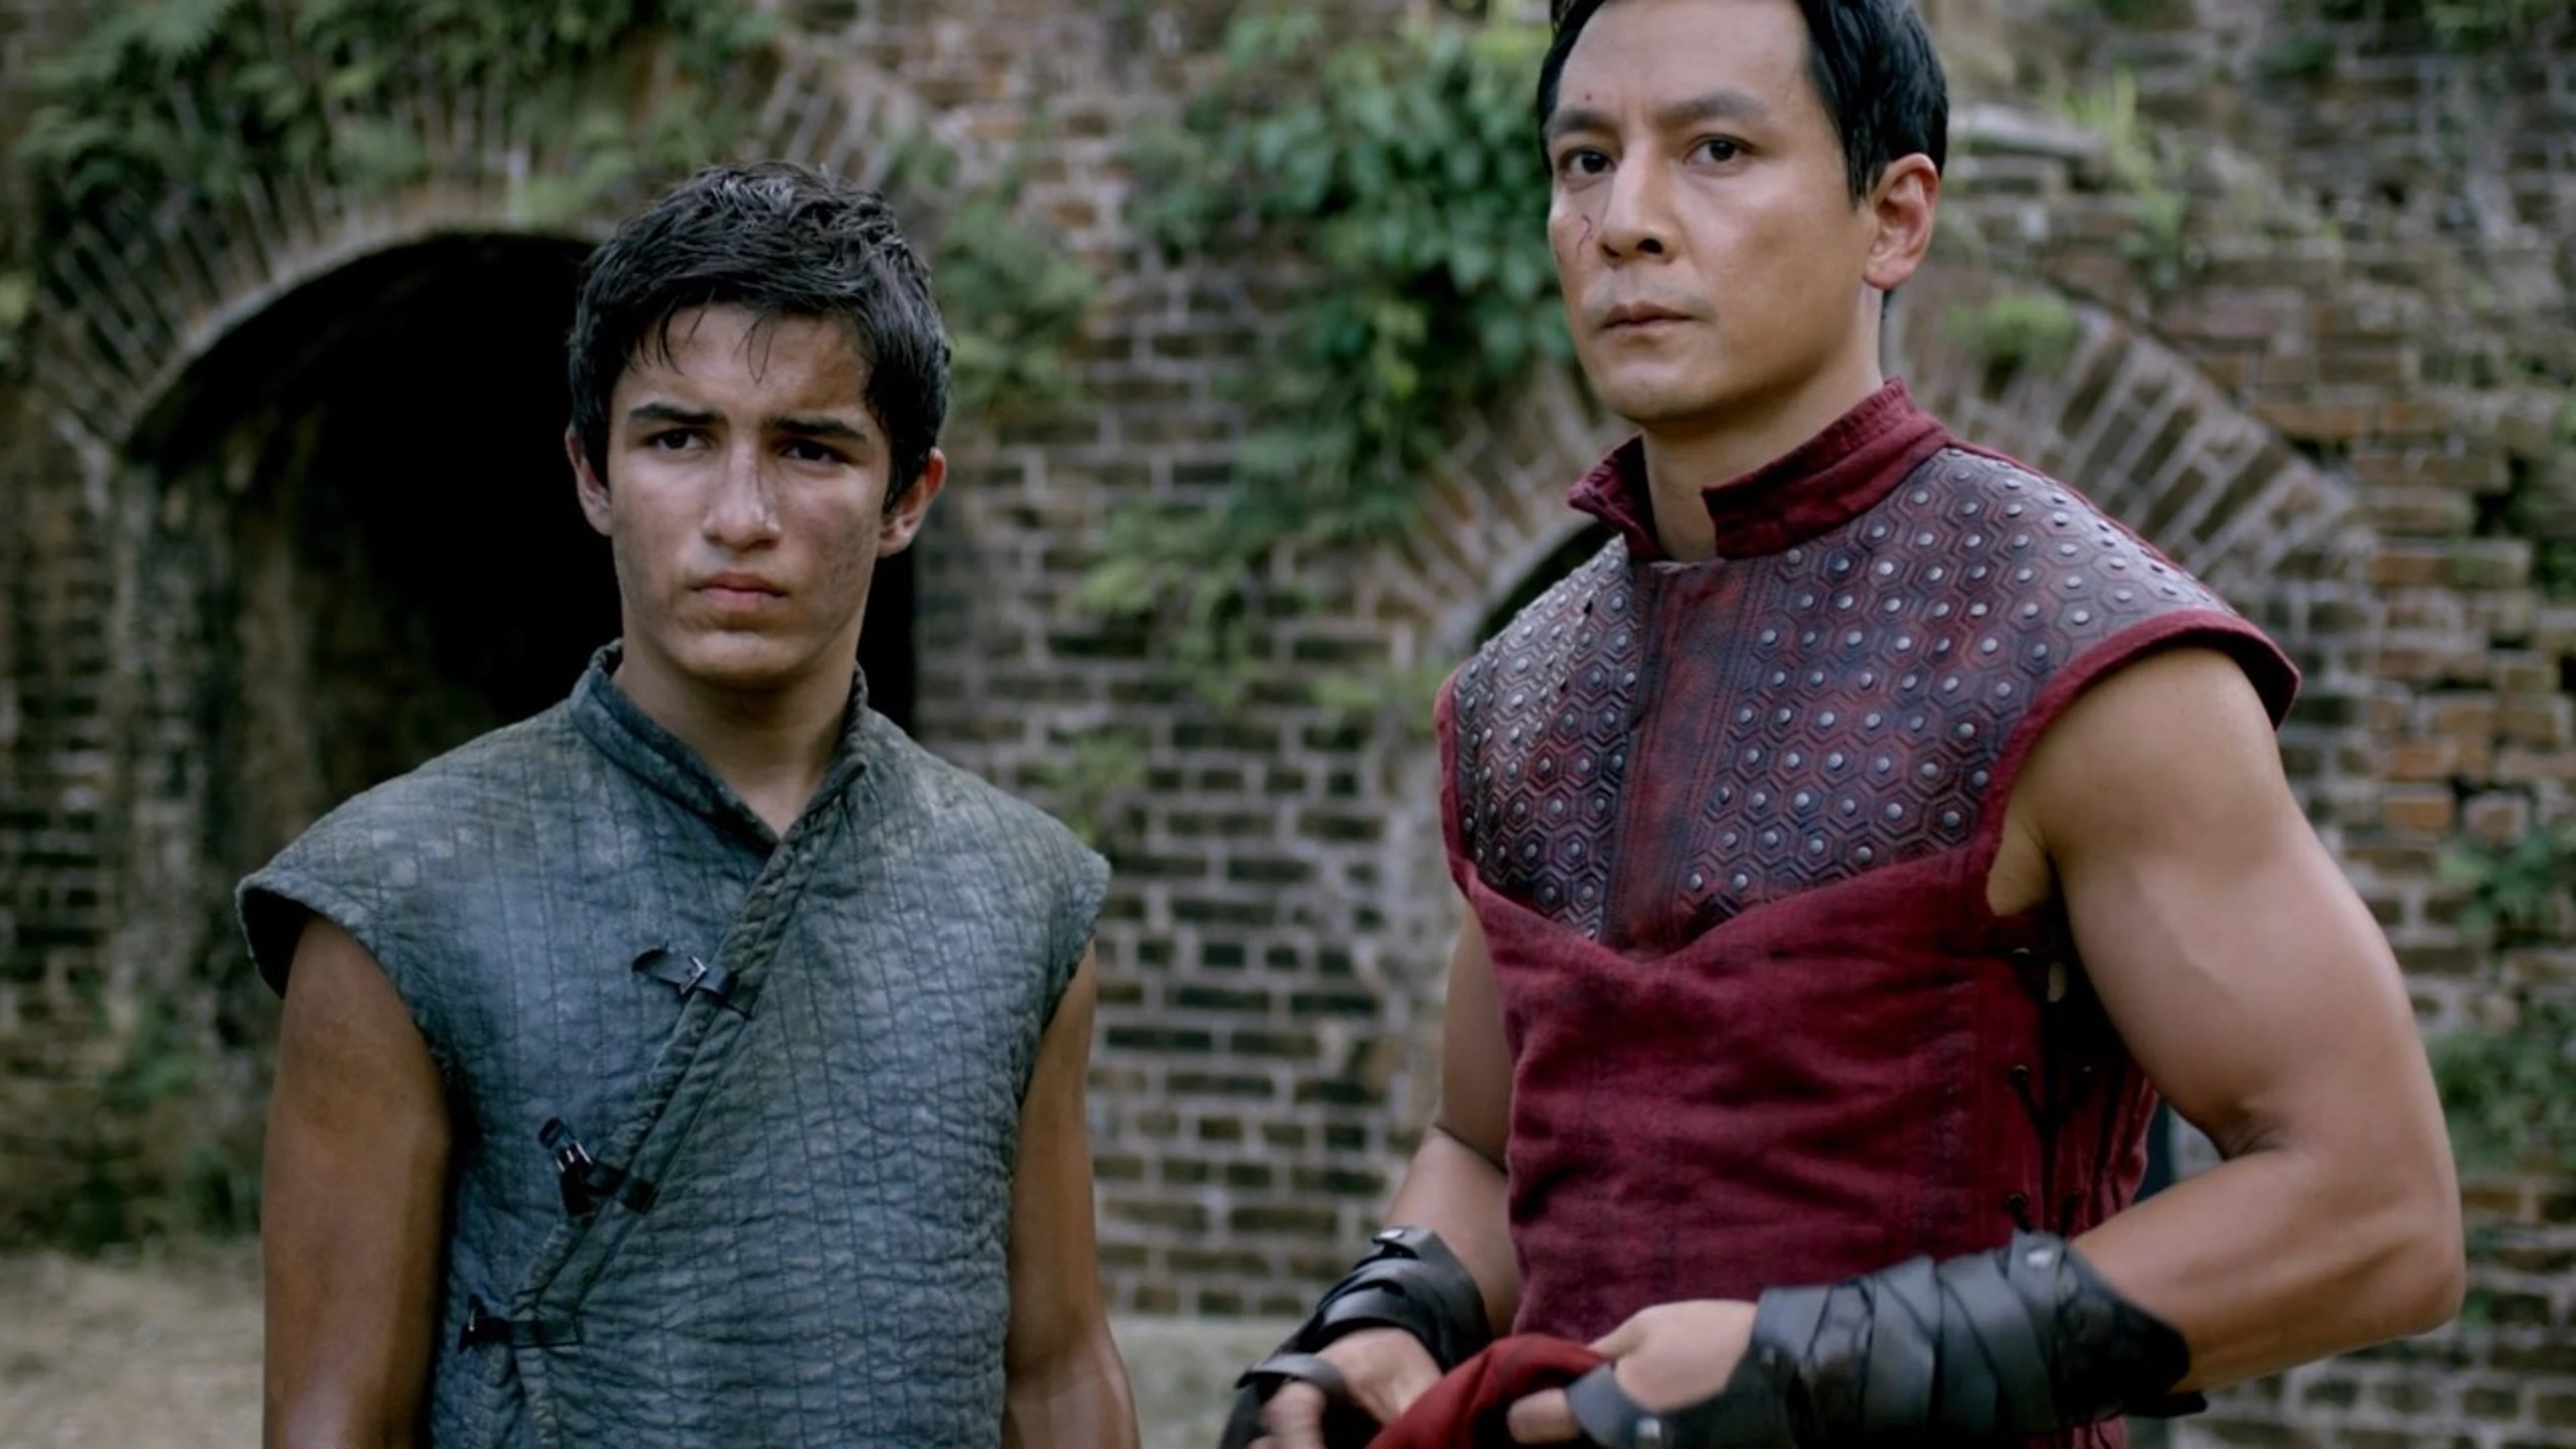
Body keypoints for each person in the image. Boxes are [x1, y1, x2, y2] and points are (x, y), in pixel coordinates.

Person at [1224, 0, 2465, 1445]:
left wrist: (1807, 1364)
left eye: (1717, 149)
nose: (1626, 220)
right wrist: (1388, 1323)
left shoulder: (2076, 645)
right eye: (1584, 160)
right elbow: (1486, 1148)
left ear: (1895, 217)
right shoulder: (1522, 687)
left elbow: (2374, 1212)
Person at [244, 161, 1136, 1449]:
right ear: (592, 473)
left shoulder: (1022, 895)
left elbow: (1054, 1372)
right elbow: (331, 1424)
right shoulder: (396, 899)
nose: (740, 516)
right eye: (678, 439)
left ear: (908, 498)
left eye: (810, 449)